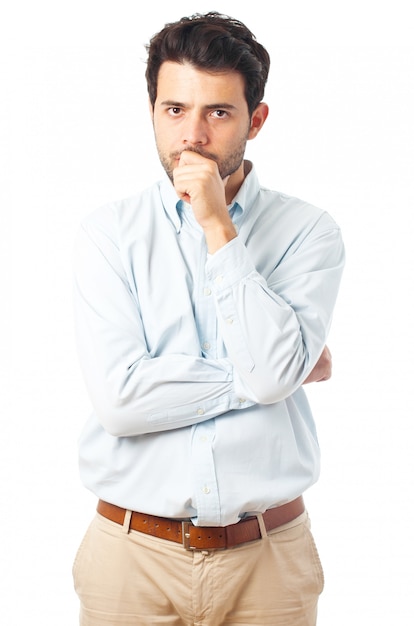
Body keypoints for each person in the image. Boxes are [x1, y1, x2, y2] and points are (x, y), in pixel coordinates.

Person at [72, 11, 345, 625]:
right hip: (129, 558)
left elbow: (273, 374)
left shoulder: (309, 233)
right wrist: (272, 372)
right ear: (151, 111)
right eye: (174, 110)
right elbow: (119, 401)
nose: (192, 136)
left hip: (271, 560)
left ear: (256, 119)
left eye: (217, 113)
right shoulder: (107, 236)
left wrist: (220, 229)